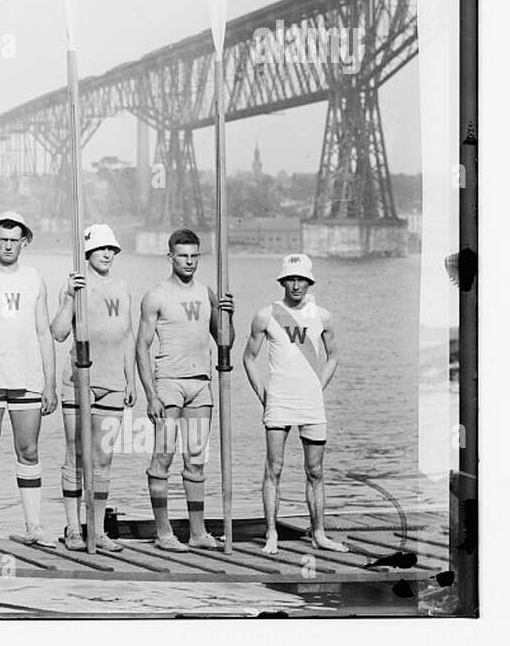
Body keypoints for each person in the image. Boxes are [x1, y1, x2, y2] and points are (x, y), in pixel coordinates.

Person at [241, 254, 349, 554]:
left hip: (311, 403)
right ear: (283, 282)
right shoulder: (266, 315)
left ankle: (319, 533)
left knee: (315, 470)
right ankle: (272, 533)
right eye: (291, 279)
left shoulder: (323, 316)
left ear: (310, 282)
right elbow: (248, 357)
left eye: (301, 279)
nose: (296, 285)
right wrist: (263, 395)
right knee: (273, 468)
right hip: (279, 401)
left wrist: (319, 385)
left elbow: (333, 356)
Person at [0, 211, 57, 547]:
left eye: (14, 240)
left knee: (28, 450)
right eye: (2, 239)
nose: (8, 245)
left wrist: (51, 383)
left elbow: (45, 332)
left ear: (24, 242)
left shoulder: (34, 278)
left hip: (27, 375)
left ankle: (34, 527)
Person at [135, 227, 233, 551]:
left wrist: (228, 315)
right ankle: (163, 534)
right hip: (169, 385)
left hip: (200, 384)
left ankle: (198, 533)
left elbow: (225, 342)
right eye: (183, 256)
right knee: (162, 458)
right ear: (171, 257)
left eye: (194, 256)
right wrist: (150, 395)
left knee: (195, 461)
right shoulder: (157, 295)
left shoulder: (207, 293)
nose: (189, 262)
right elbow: (142, 347)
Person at [50, 223, 136, 552]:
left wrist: (130, 379)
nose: (106, 254)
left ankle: (97, 530)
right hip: (79, 381)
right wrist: (72, 297)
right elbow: (58, 332)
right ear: (88, 253)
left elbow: (127, 335)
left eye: (111, 249)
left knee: (103, 459)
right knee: (75, 455)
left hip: (112, 383)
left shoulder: (122, 286)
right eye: (100, 249)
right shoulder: (75, 286)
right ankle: (74, 528)